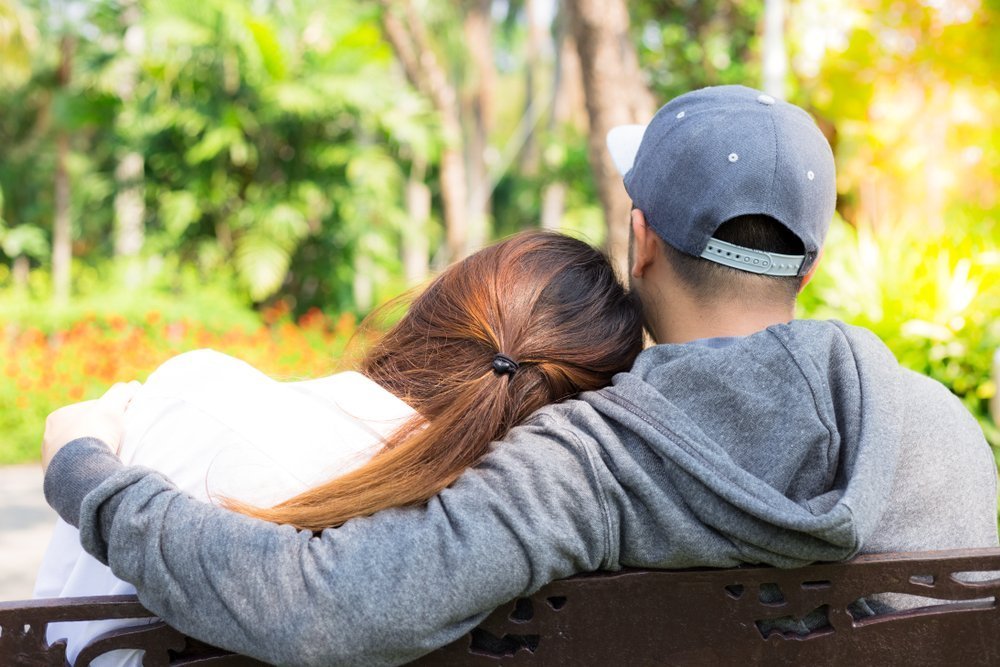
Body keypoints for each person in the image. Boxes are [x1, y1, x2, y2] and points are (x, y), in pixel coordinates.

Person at [41, 86, 998, 667]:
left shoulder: (589, 460)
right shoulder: (939, 430)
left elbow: (320, 609)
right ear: (810, 264)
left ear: (643, 241)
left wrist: (91, 473)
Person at [34, 230, 644, 665]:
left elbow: (54, 629)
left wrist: (79, 456)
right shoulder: (491, 539)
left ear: (434, 306)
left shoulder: (195, 393)